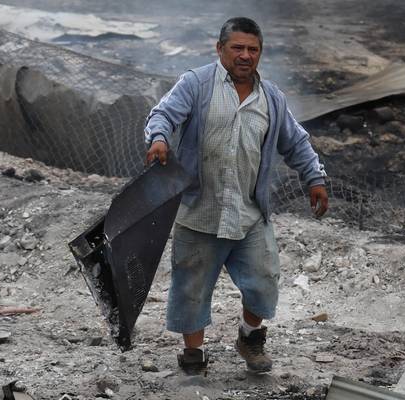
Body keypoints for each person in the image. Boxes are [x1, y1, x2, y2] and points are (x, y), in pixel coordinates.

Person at [142, 16, 329, 376]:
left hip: (248, 214)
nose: (245, 56)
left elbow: (296, 141)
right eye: (237, 48)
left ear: (260, 53)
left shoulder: (271, 97)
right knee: (191, 287)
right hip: (200, 210)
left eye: (253, 49)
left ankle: (250, 337)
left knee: (263, 280)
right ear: (220, 49)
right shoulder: (196, 84)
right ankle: (193, 354)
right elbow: (163, 114)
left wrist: (315, 178)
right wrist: (159, 139)